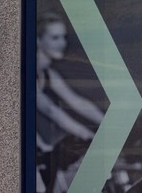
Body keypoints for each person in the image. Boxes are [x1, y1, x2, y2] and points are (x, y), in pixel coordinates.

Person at [35, 12, 106, 193]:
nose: (62, 43)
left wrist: (109, 125)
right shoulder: (29, 71)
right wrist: (86, 134)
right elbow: (50, 109)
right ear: (38, 40)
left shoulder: (48, 73)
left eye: (64, 37)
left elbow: (77, 102)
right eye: (55, 37)